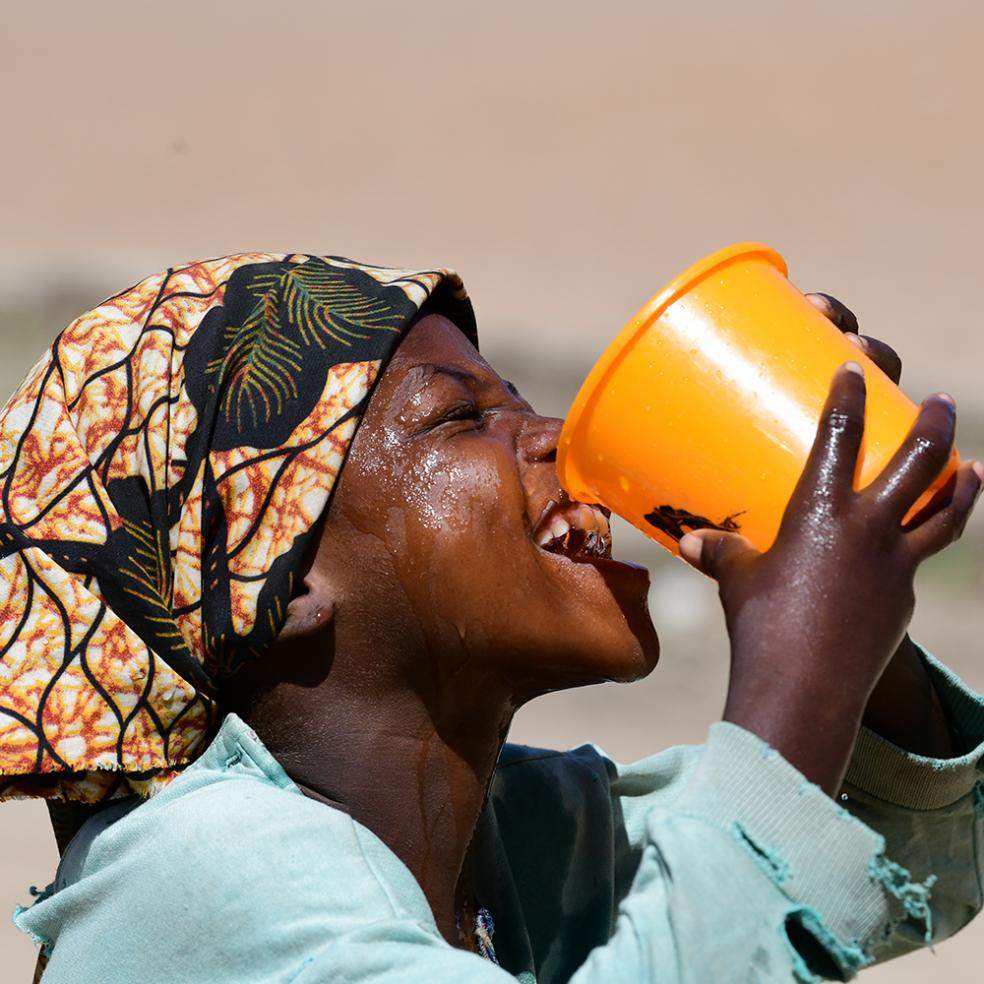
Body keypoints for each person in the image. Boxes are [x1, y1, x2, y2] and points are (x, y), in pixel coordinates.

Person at [3, 252, 982, 983]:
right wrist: (797, 667)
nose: (555, 437)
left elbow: (913, 863)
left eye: (515, 399)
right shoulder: (204, 877)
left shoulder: (510, 840)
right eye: (460, 420)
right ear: (275, 576)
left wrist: (819, 559)